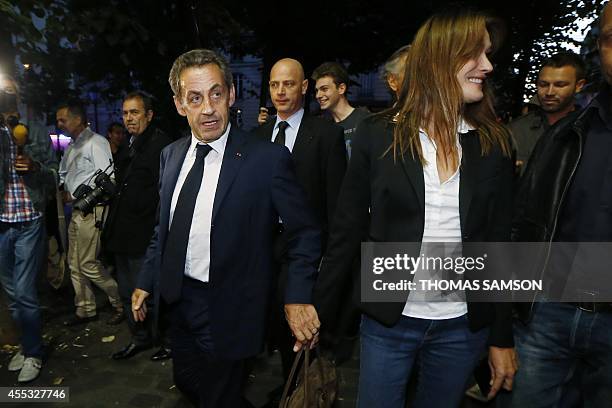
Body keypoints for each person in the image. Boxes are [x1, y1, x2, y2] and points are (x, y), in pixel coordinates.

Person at [314, 9, 517, 408]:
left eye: (489, 54)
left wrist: (500, 336)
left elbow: (499, 247)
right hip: (389, 320)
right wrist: (319, 311)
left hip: (462, 328)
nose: (488, 66)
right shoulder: (378, 133)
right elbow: (347, 229)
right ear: (439, 58)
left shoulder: (494, 144)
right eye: (475, 54)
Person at [131, 49, 321, 407]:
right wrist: (145, 280)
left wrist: (297, 296)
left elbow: (305, 232)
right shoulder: (170, 156)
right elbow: (164, 228)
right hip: (176, 299)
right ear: (178, 104)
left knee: (217, 395)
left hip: (230, 308)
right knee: (189, 381)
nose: (207, 108)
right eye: (195, 98)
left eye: (216, 94)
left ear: (231, 95)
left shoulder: (265, 159)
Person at [502, 3, 612, 407]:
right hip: (549, 313)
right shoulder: (566, 135)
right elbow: (524, 224)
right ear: (599, 47)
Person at [253, 58, 346, 387]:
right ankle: (288, 384)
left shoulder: (325, 135)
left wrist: (327, 262)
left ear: (304, 87)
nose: (280, 91)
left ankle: (301, 388)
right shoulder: (258, 135)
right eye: (275, 85)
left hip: (305, 252)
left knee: (302, 332)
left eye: (289, 84)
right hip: (265, 249)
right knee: (275, 327)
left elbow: (336, 206)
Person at [102, 91, 172, 361]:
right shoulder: (130, 145)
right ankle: (140, 338)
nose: (129, 118)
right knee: (126, 291)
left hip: (145, 237)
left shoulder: (161, 145)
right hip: (122, 234)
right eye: (125, 113)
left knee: (151, 293)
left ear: (149, 115)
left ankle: (167, 340)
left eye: (134, 113)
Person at [0, 74, 57, 382]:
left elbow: (54, 174)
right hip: (1, 224)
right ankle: (26, 344)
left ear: (17, 94)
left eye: (9, 90)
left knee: (23, 290)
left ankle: (33, 352)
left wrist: (35, 167)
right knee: (12, 293)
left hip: (29, 220)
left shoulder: (34, 130)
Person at [56, 102, 123, 326]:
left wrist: (82, 197)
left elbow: (108, 180)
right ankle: (85, 309)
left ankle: (120, 302)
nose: (59, 124)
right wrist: (66, 189)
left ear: (77, 119)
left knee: (87, 263)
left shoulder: (96, 142)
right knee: (74, 263)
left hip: (92, 210)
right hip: (76, 211)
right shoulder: (71, 147)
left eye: (62, 119)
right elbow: (64, 175)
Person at [509, 52, 586, 173]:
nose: (549, 92)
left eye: (560, 85)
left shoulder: (591, 131)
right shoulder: (514, 132)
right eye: (543, 84)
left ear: (579, 86)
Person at [312, 61, 370, 158]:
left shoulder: (365, 120)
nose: (318, 95)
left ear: (341, 88)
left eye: (324, 89)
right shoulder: (325, 128)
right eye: (317, 90)